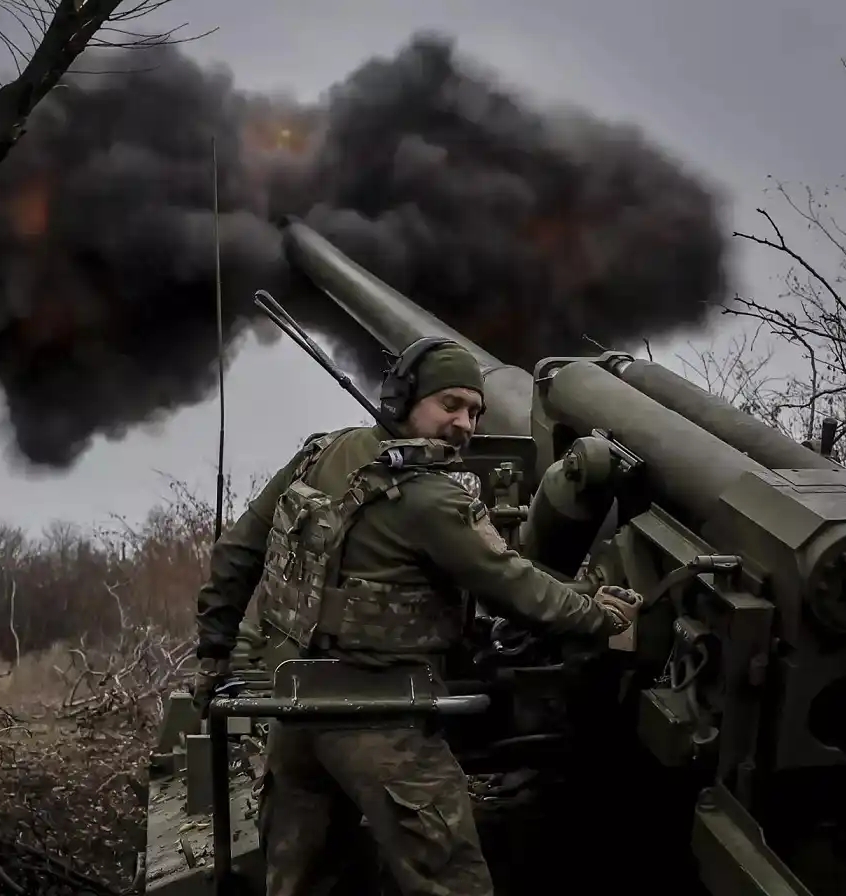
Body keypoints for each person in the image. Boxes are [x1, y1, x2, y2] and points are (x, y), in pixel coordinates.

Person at [192, 337, 639, 896]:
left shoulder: (319, 455)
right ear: (403, 399)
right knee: (453, 881)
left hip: (295, 712)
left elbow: (238, 551)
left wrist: (213, 651)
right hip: (382, 722)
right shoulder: (433, 500)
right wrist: (599, 616)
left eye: (474, 411)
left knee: (303, 881)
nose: (464, 424)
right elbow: (518, 590)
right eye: (449, 405)